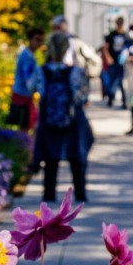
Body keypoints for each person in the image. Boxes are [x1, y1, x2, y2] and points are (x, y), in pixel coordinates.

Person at [31, 32, 93, 203]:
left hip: (48, 121)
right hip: (73, 121)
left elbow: (31, 89)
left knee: (51, 158)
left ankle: (49, 194)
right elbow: (82, 96)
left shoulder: (41, 71)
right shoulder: (75, 72)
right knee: (76, 156)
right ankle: (80, 193)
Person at [9, 27, 45, 130]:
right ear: (30, 39)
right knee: (25, 125)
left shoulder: (28, 55)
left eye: (41, 41)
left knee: (27, 124)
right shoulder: (27, 57)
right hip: (22, 95)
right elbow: (27, 80)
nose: (39, 43)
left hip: (24, 94)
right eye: (37, 40)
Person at [103, 17, 131, 109]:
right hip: (113, 61)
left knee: (121, 82)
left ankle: (124, 101)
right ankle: (111, 97)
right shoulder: (112, 35)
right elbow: (105, 48)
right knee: (112, 81)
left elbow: (129, 49)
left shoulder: (126, 35)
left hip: (123, 62)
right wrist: (108, 58)